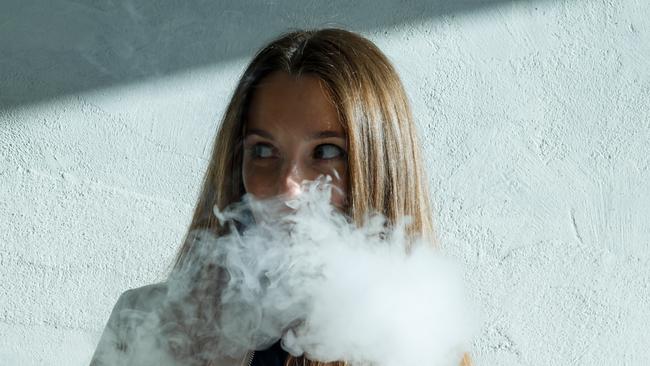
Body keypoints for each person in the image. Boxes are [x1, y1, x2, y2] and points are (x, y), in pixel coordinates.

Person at [90, 28, 472, 366]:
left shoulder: (420, 348)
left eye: (325, 152)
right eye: (263, 150)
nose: (287, 187)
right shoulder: (144, 322)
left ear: (380, 172)